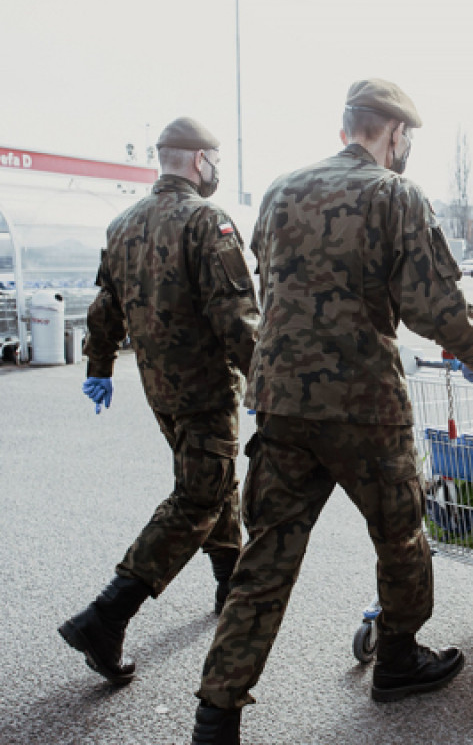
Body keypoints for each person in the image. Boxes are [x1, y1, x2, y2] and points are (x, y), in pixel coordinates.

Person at [190, 79, 473, 745]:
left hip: (279, 400)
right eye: (407, 137)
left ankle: (215, 718)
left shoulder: (279, 190)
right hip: (364, 405)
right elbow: (434, 306)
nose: (407, 147)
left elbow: (269, 287)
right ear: (392, 132)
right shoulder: (394, 195)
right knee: (401, 534)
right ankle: (396, 659)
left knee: (267, 554)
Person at [59, 118, 260, 687]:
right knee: (199, 495)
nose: (217, 169)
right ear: (199, 161)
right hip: (206, 390)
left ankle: (229, 584)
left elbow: (104, 309)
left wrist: (100, 367)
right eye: (216, 159)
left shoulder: (122, 224)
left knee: (215, 481)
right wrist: (270, 386)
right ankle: (105, 616)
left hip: (161, 393)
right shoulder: (207, 222)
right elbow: (239, 318)